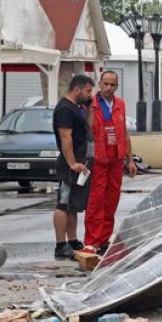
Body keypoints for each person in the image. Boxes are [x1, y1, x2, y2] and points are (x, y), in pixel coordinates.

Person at [83, 71, 136, 255]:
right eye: (105, 84)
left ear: (117, 86)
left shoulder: (120, 104)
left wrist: (130, 160)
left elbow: (124, 133)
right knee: (96, 201)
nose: (108, 88)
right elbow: (86, 130)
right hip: (98, 159)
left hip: (116, 159)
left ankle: (104, 238)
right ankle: (91, 241)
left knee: (112, 200)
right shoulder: (92, 105)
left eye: (112, 85)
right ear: (100, 84)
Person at [52, 74, 95, 260]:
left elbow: (88, 129)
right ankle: (60, 244)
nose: (89, 94)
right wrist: (72, 163)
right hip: (71, 162)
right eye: (87, 90)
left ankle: (73, 240)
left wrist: (90, 109)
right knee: (63, 203)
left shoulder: (77, 108)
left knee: (73, 204)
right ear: (77, 89)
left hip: (80, 160)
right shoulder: (64, 109)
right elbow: (65, 137)